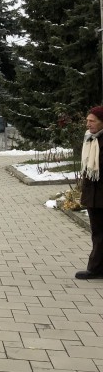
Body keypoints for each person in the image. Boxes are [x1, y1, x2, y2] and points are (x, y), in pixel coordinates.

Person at [77, 106, 103, 279]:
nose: (88, 124)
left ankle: (95, 269)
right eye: (87, 120)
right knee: (97, 233)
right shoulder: (90, 140)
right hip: (94, 196)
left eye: (92, 121)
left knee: (100, 234)